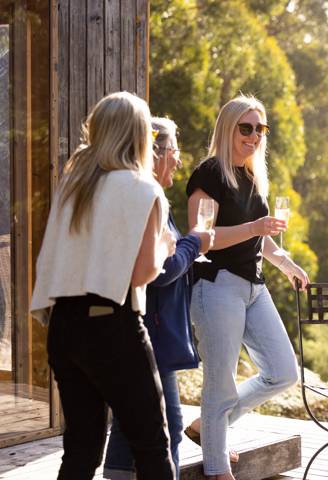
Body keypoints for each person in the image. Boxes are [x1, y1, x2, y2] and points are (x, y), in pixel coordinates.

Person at [30, 92, 176, 479]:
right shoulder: (143, 190)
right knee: (151, 446)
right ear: (140, 136)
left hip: (64, 326)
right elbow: (143, 273)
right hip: (112, 324)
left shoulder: (73, 187)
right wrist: (165, 246)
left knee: (80, 449)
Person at [183, 95, 309, 480]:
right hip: (216, 285)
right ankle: (218, 468)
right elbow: (202, 237)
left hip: (254, 287)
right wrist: (255, 229)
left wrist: (286, 264)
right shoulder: (208, 174)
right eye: (246, 127)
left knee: (284, 371)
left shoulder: (253, 177)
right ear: (228, 128)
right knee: (220, 382)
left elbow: (261, 238)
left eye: (261, 129)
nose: (254, 135)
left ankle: (209, 429)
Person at [103, 117, 214, 479]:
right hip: (149, 330)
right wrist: (195, 241)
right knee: (170, 421)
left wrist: (187, 246)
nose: (179, 162)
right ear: (157, 152)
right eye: (175, 152)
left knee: (125, 421)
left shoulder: (137, 195)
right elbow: (163, 272)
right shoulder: (147, 199)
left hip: (139, 327)